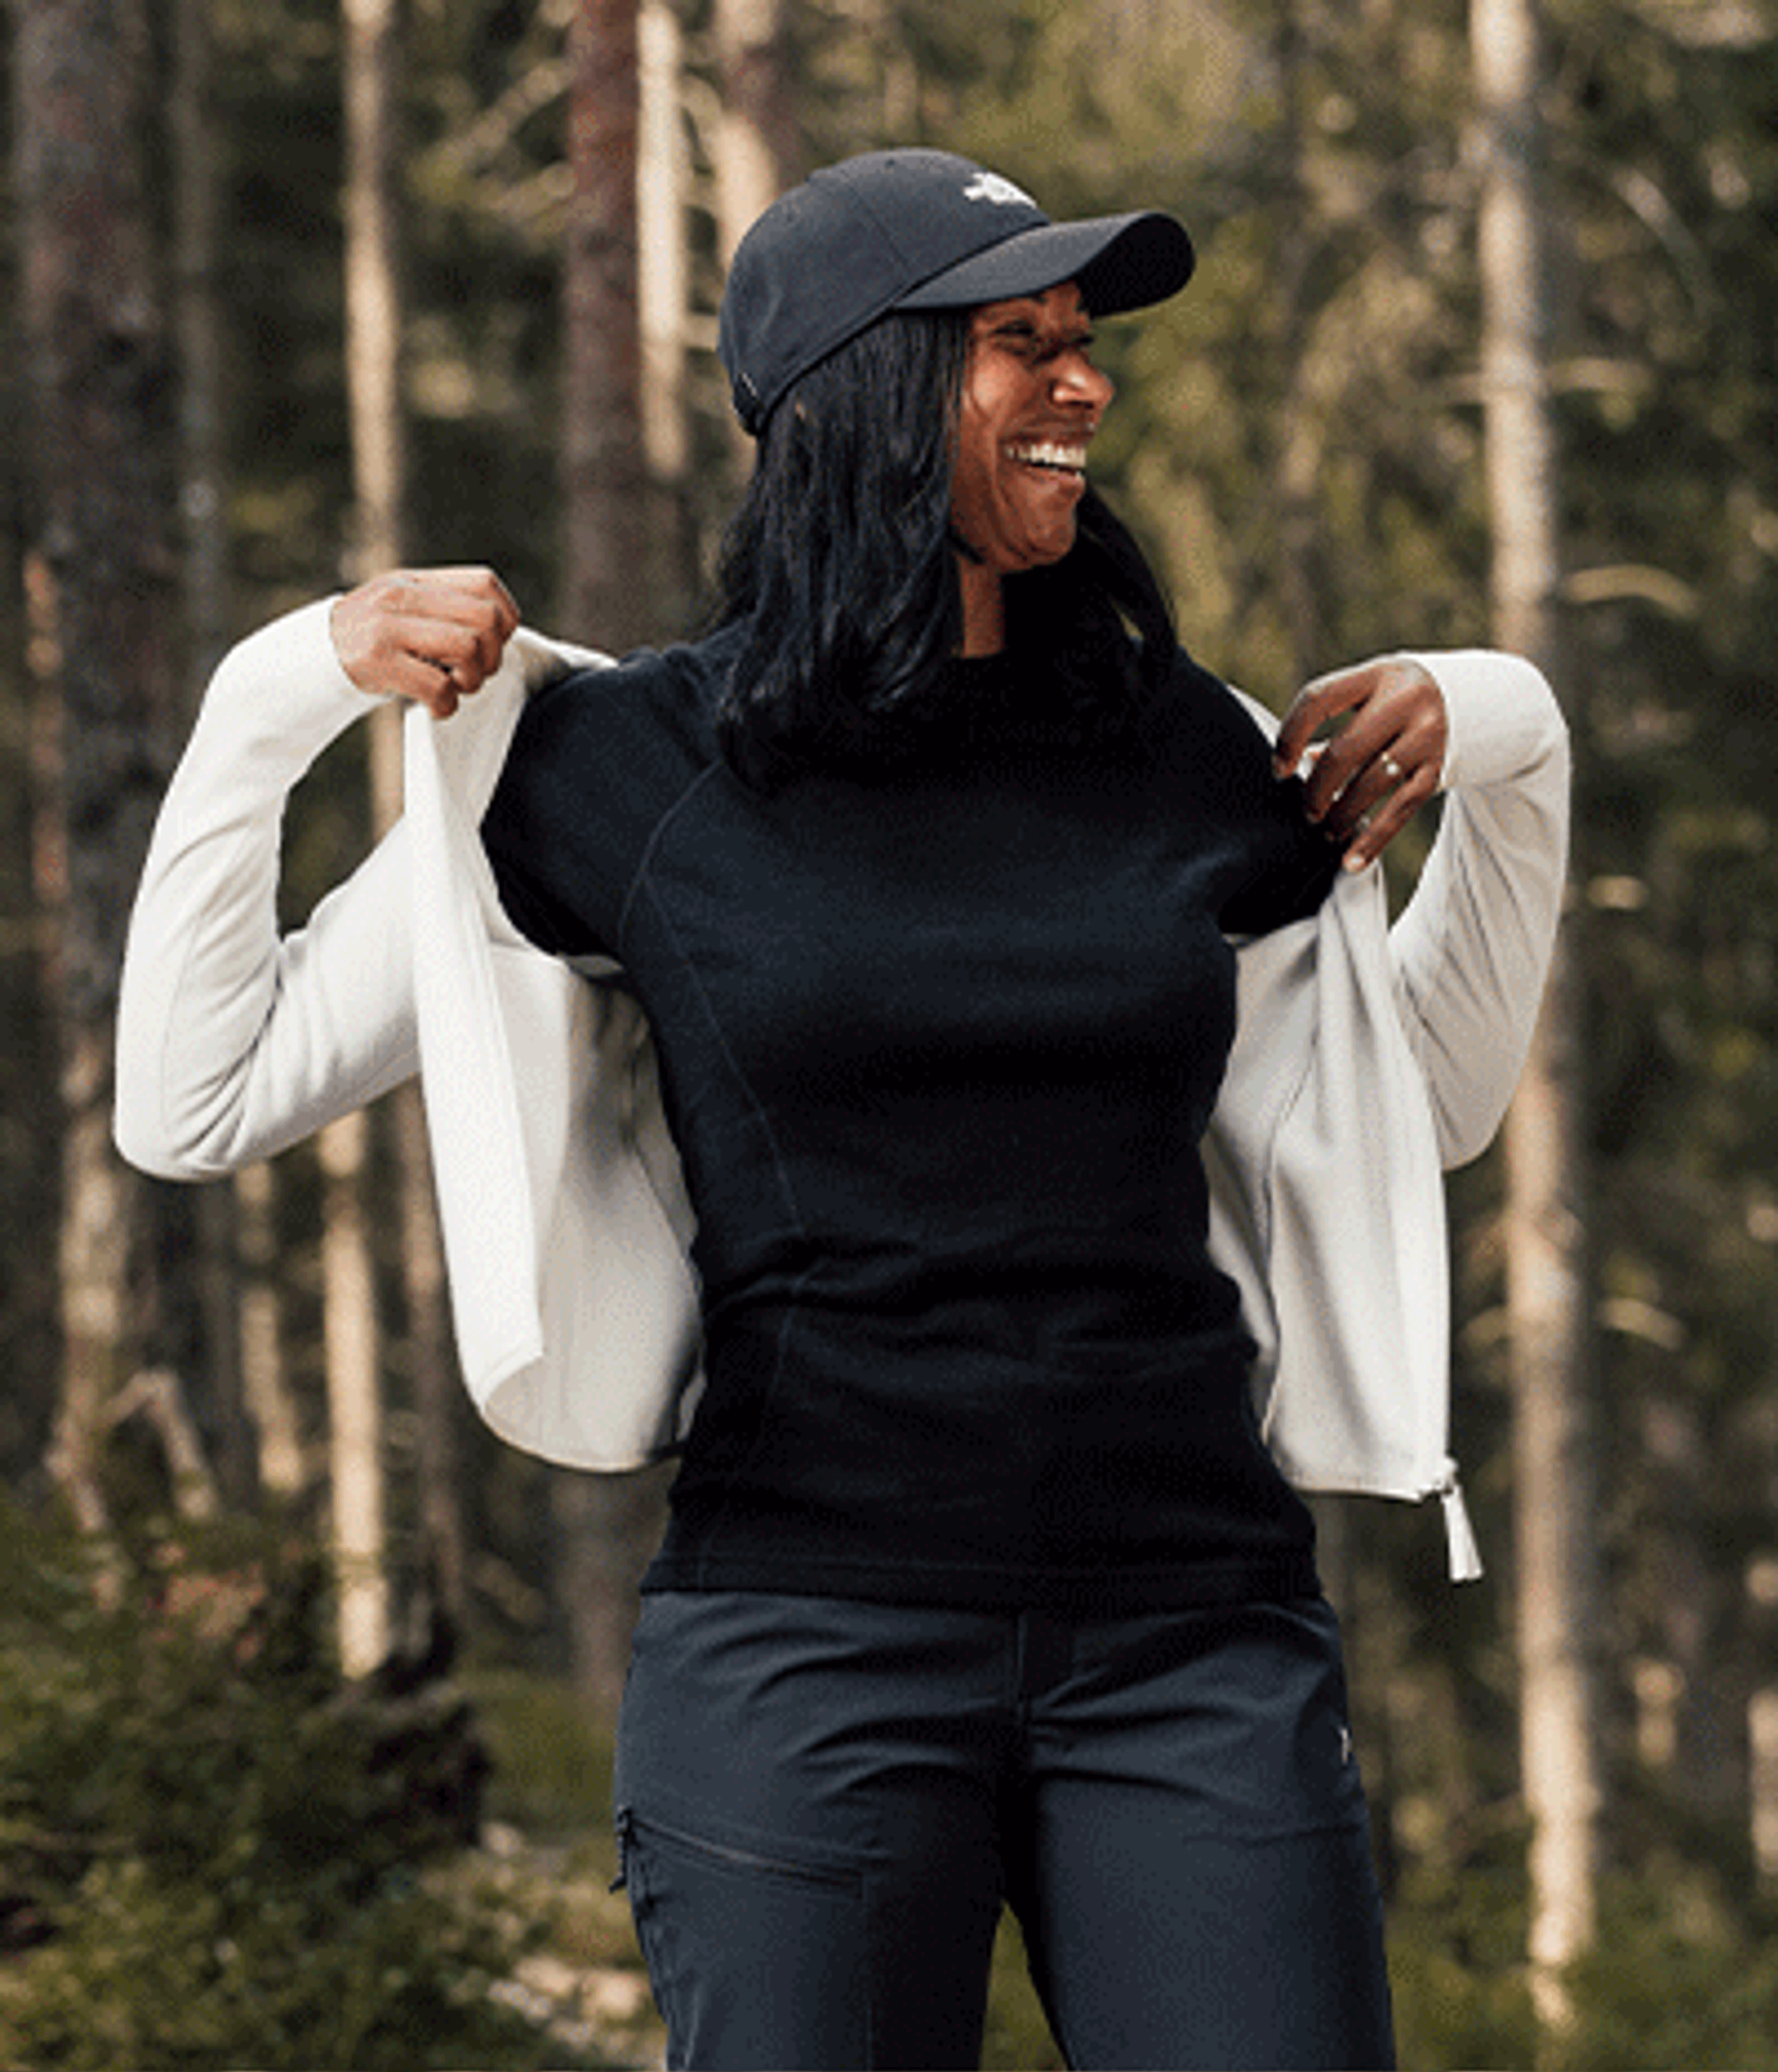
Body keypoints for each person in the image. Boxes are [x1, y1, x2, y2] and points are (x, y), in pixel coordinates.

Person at [116, 147, 1568, 2070]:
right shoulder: (617, 767)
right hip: (807, 1651)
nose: (1085, 385)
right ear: (862, 393)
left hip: (1194, 1639)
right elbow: (192, 1093)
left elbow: (1434, 1106)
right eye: (1019, 345)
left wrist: (1516, 745)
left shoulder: (1188, 749)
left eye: (1084, 341)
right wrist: (278, 688)